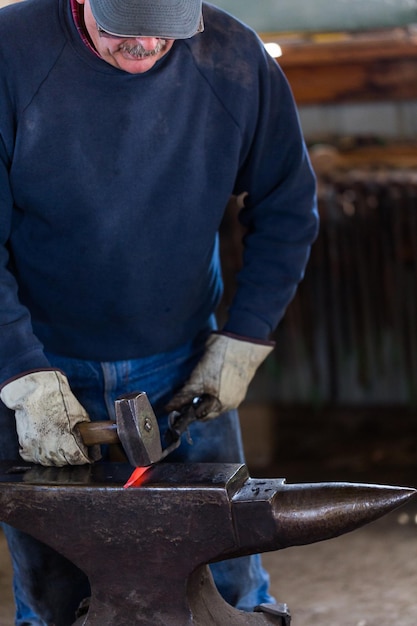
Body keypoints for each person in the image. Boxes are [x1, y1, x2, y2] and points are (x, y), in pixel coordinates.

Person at [0, 0, 318, 622]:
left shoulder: (235, 58)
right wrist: (19, 372)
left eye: (165, 30)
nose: (145, 47)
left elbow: (287, 206)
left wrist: (245, 337)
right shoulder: (11, 55)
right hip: (41, 367)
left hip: (181, 363)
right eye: (124, 27)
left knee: (229, 580)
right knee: (55, 593)